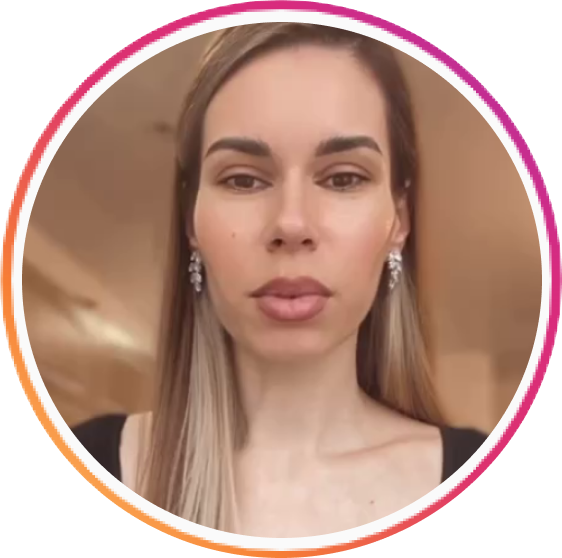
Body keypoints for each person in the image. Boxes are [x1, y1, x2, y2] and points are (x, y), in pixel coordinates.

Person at [72, 23, 487, 537]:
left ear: (398, 220)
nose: (291, 224)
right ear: (191, 223)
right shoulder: (86, 459)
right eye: (243, 179)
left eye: (343, 178)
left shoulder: (473, 467)